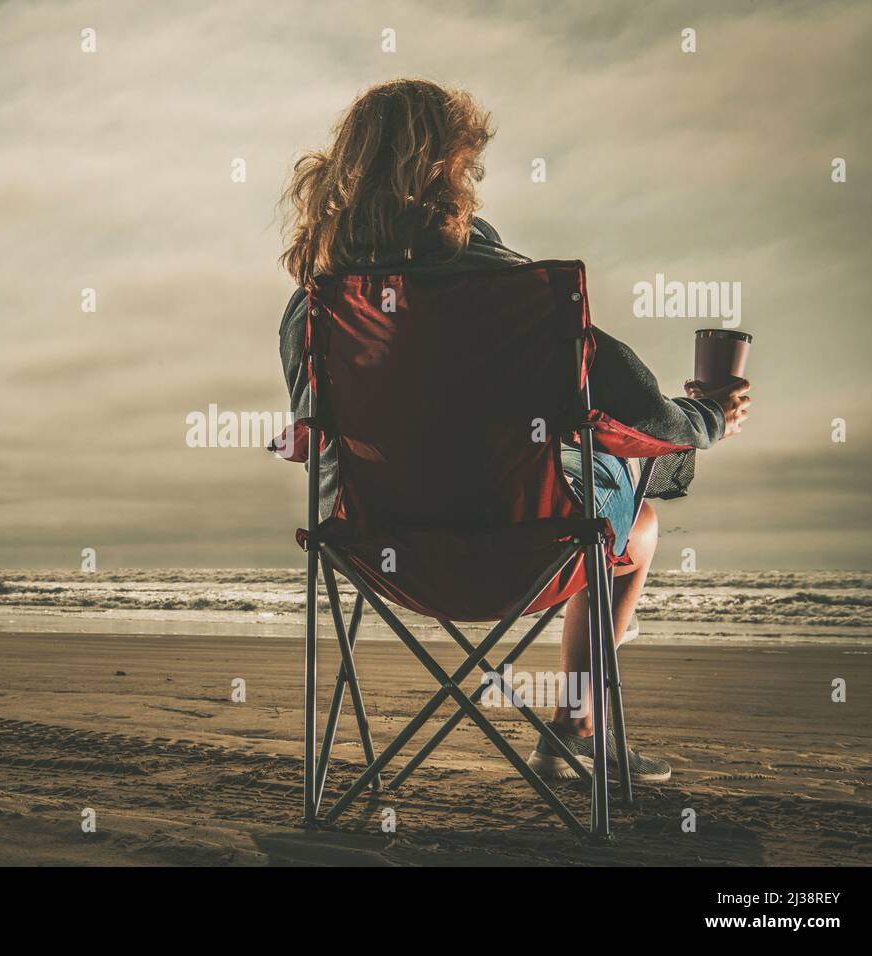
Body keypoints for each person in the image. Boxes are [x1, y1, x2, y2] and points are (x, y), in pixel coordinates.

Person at [277, 78, 751, 783]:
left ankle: (572, 713)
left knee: (608, 503)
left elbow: (313, 437)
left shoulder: (313, 310)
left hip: (377, 549)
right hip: (528, 552)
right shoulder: (516, 290)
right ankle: (575, 723)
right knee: (637, 522)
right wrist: (708, 417)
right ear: (450, 170)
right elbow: (630, 405)